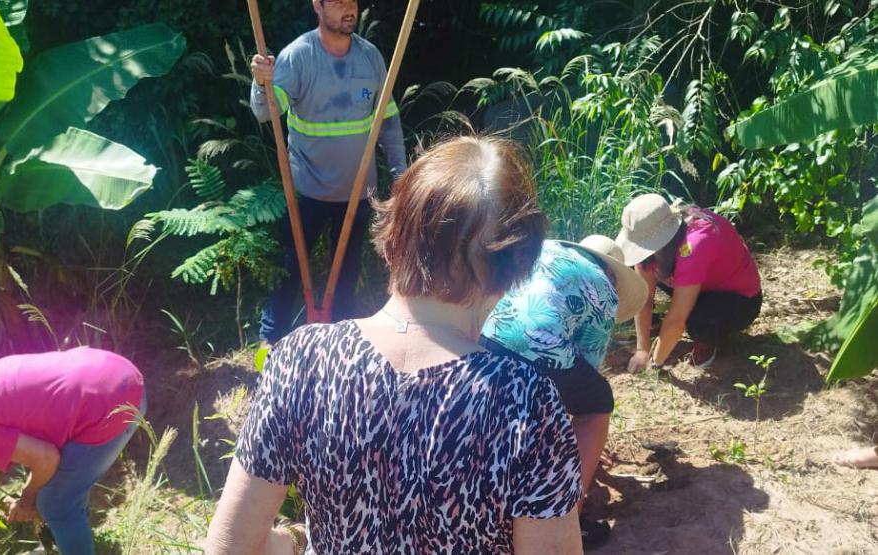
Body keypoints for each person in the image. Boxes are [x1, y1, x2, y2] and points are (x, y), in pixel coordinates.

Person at [206, 136, 584, 554]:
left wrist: (289, 543)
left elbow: (229, 545)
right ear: (517, 267)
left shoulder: (302, 359)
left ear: (392, 238)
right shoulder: (526, 402)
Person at [250, 0, 407, 342]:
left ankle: (337, 344)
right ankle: (271, 340)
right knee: (290, 269)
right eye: (337, 2)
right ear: (317, 6)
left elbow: (389, 122)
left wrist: (401, 174)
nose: (348, 8)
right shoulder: (298, 56)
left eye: (352, 2)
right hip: (308, 190)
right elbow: (266, 112)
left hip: (358, 190)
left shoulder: (371, 58)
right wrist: (261, 83)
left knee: (347, 271)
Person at [480, 234, 648, 549]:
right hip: (536, 348)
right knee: (597, 404)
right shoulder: (604, 289)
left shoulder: (546, 250)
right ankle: (569, 517)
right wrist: (584, 439)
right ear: (613, 274)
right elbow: (585, 375)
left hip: (484, 331)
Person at [0, 347, 145, 555]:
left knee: (56, 503)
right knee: (63, 489)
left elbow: (46, 458)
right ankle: (69, 539)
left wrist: (27, 498)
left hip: (113, 404)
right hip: (116, 370)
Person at [616, 194, 762, 371]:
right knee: (640, 276)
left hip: (739, 298)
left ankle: (707, 340)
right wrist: (642, 350)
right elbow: (644, 298)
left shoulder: (695, 245)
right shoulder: (655, 242)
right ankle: (655, 327)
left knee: (695, 320)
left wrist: (655, 364)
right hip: (699, 283)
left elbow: (677, 318)